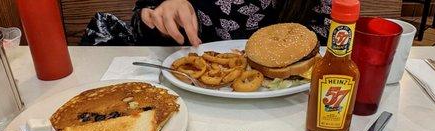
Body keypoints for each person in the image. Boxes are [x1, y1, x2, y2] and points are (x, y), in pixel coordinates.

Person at [132, 0, 332, 46]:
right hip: (194, 97)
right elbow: (144, 23)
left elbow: (327, 44)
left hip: (295, 105)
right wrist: (162, 19)